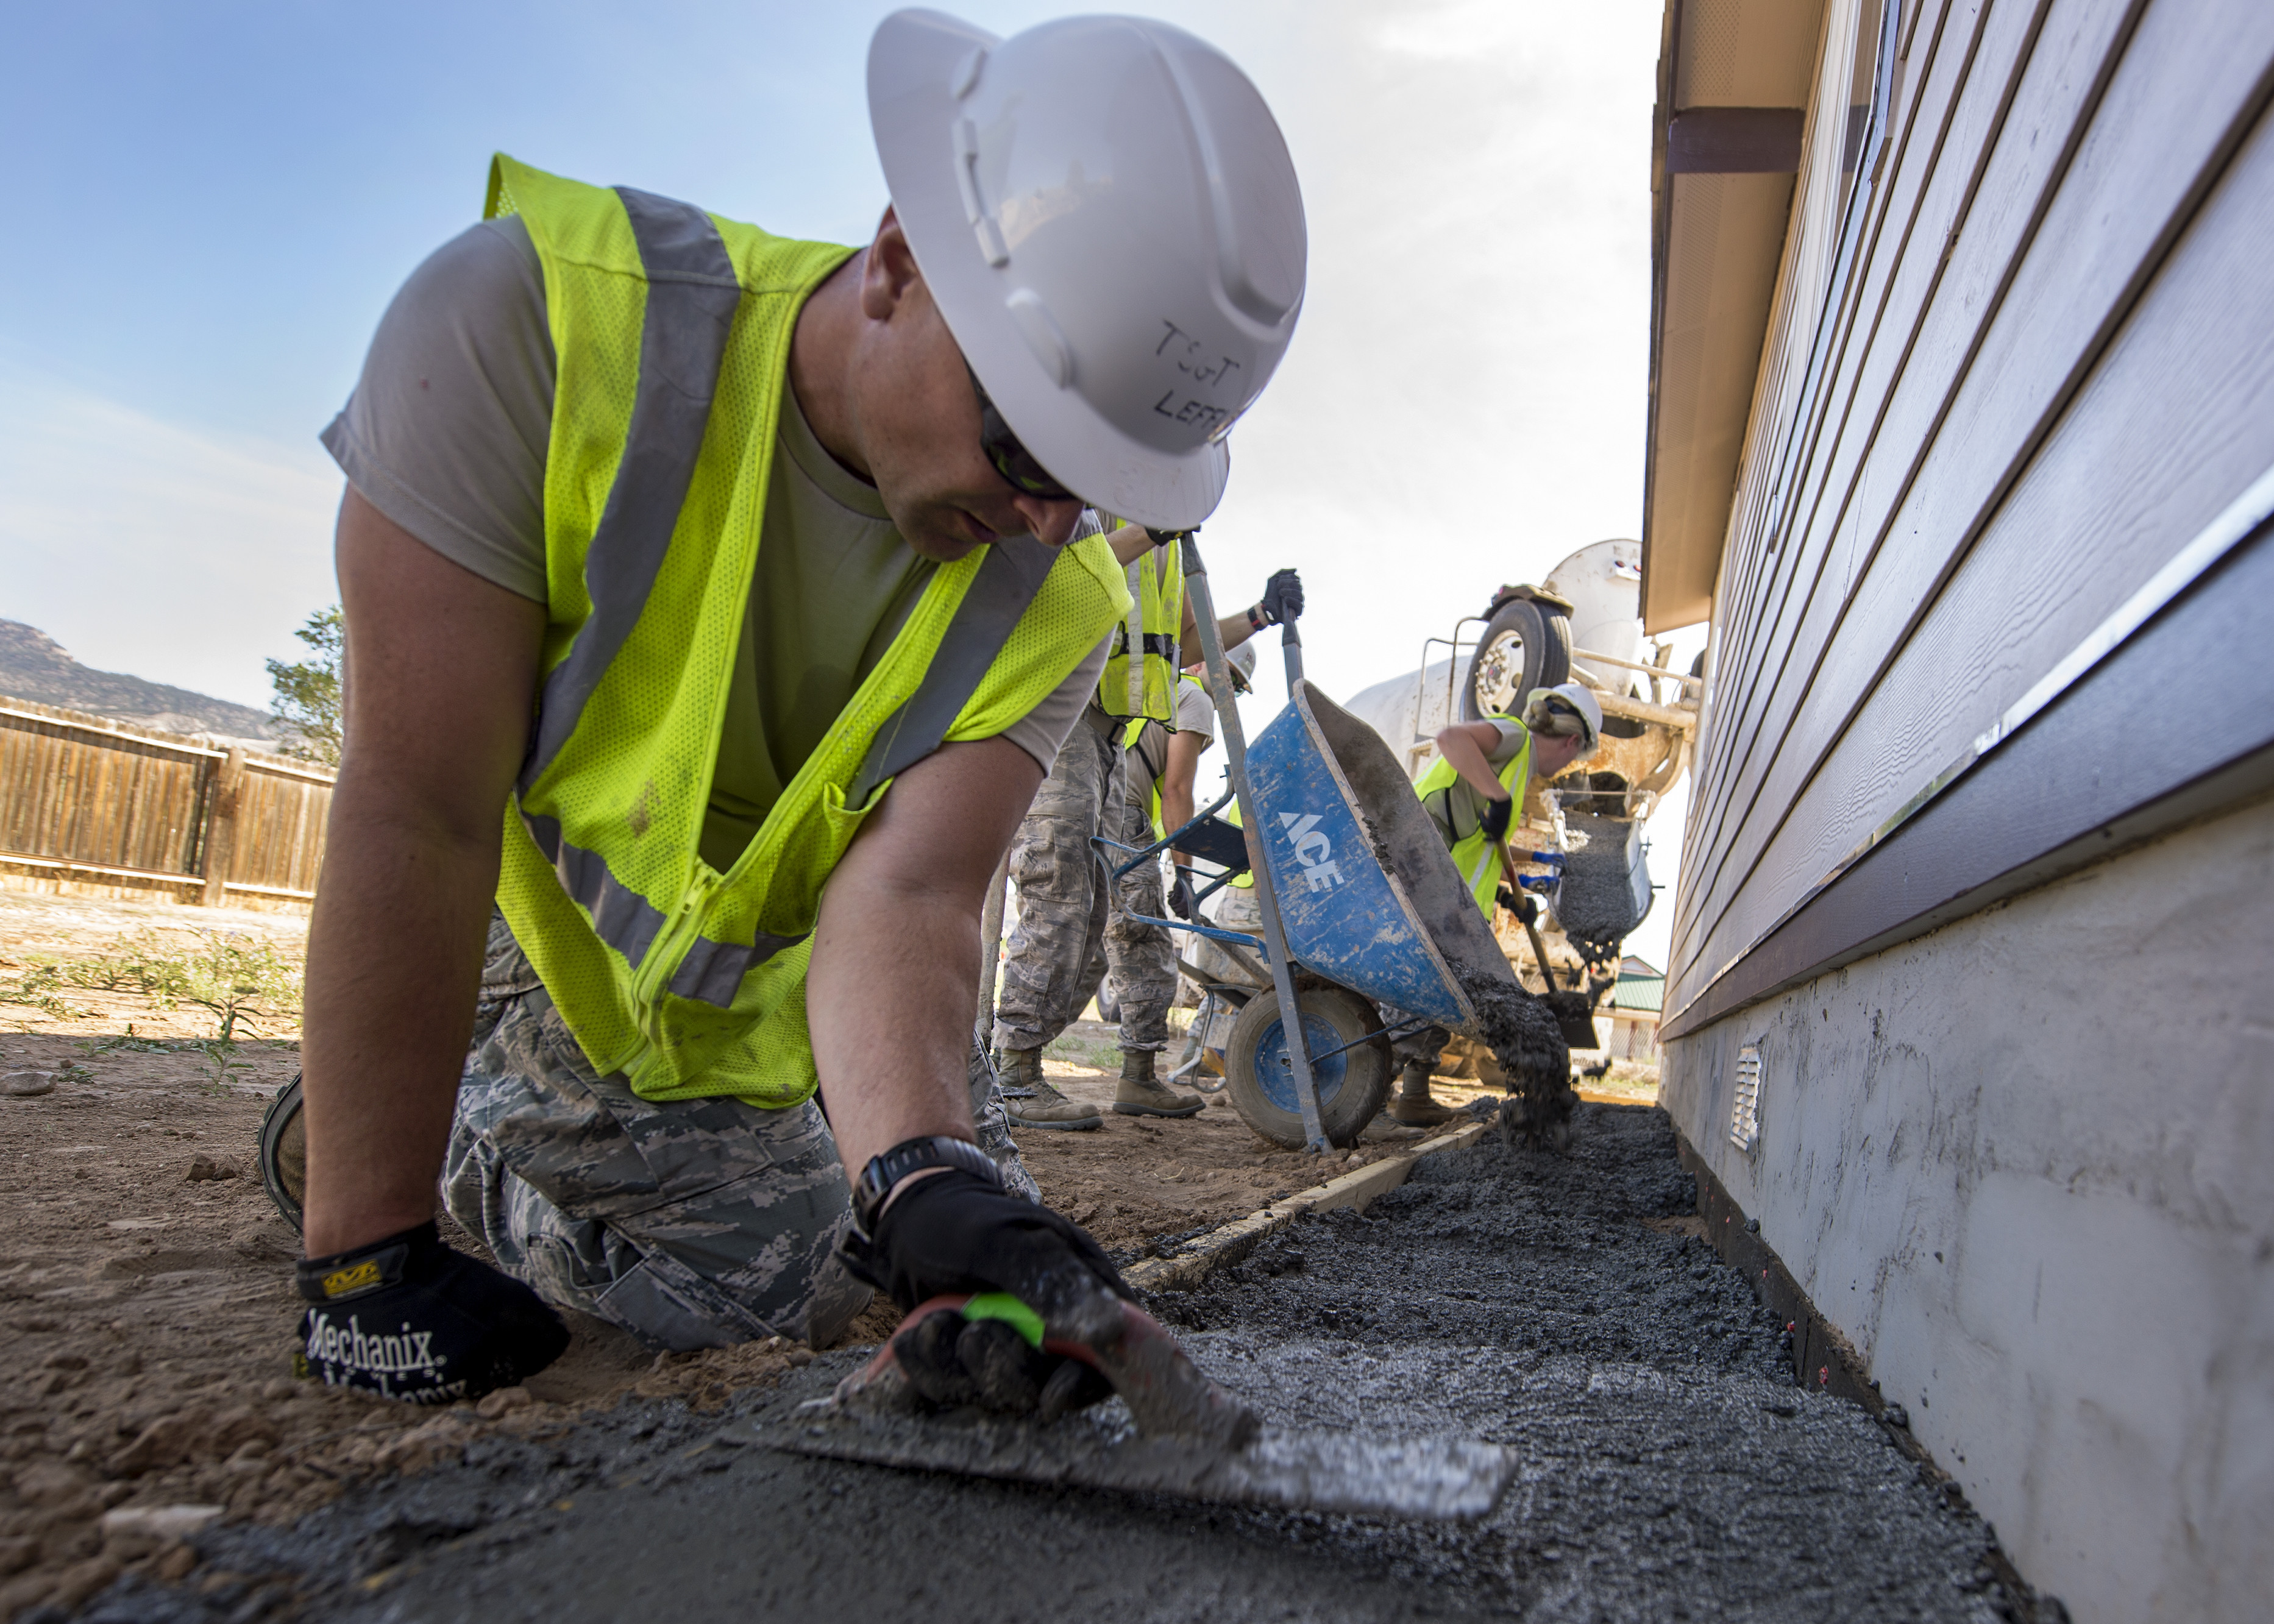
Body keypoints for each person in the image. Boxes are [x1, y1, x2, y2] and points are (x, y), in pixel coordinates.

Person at [276, 9, 1307, 1406]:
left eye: (1094, 484)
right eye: (1024, 446)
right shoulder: (529, 328)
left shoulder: (1055, 598)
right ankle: (404, 1132)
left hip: (764, 1007)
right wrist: (364, 1253)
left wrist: (919, 1173)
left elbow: (915, 897)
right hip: (526, 961)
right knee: (795, 1276)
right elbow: (419, 807)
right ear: (897, 263)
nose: (1045, 517)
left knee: (984, 1260)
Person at [990, 539, 1293, 1129]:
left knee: (1101, 916)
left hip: (1105, 743)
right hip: (1070, 718)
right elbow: (1176, 791)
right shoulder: (1195, 699)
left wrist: (1260, 612)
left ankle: (1058, 1065)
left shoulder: (1168, 556)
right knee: (1080, 904)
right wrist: (1181, 871)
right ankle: (1016, 1070)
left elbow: (1182, 633)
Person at [1384, 682, 1603, 1126]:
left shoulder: (1515, 768)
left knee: (1449, 992)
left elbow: (1488, 842)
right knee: (1421, 989)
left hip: (1449, 886)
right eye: (1571, 761)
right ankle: (1369, 1097)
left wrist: (1511, 891)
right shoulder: (1516, 737)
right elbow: (1451, 738)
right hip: (1420, 866)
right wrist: (1499, 796)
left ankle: (1414, 1094)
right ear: (1571, 741)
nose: (1563, 770)